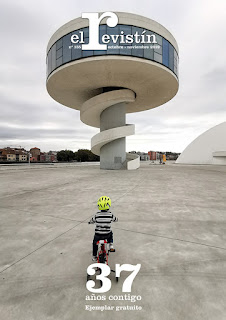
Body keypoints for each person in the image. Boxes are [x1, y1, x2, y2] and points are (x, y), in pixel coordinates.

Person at [88, 196, 118, 261]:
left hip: (98, 235)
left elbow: (92, 220)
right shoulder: (110, 214)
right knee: (111, 233)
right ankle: (110, 245)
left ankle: (94, 256)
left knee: (94, 243)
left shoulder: (97, 215)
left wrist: (90, 222)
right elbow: (115, 219)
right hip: (107, 234)